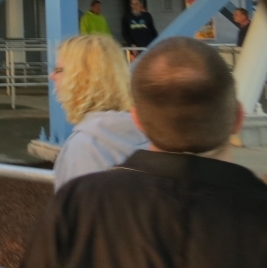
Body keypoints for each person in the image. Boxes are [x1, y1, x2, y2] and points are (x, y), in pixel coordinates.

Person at [21, 37, 267, 268]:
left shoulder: (79, 200)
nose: (52, 76)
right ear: (238, 119)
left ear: (139, 119)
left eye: (59, 69)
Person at [49, 35, 147, 189]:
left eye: (58, 70)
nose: (52, 76)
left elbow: (81, 210)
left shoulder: (84, 147)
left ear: (80, 77)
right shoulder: (148, 133)